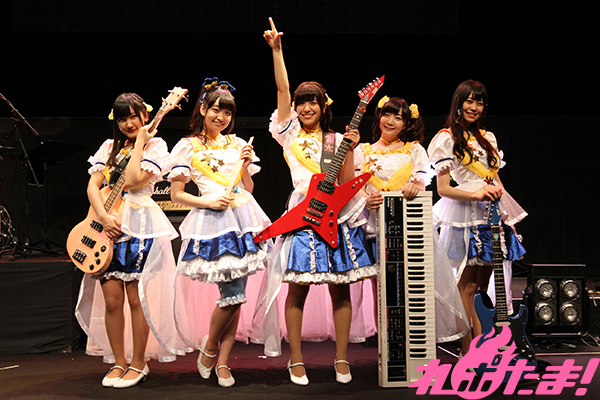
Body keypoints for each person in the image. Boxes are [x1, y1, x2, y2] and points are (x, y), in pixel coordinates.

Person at [261, 18, 377, 385]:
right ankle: (296, 359)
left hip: (335, 218)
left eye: (312, 101)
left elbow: (347, 184)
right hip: (302, 215)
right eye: (301, 102)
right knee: (297, 289)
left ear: (323, 106)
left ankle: (341, 359)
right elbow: (281, 88)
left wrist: (352, 152)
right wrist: (277, 51)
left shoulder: (337, 139)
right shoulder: (288, 133)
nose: (306, 107)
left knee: (340, 289)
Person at [75, 93, 186, 389]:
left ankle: (138, 362)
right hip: (107, 223)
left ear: (145, 116)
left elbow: (134, 179)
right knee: (112, 300)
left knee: (137, 299)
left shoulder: (156, 146)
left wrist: (139, 145)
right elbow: (93, 186)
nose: (128, 123)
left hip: (139, 224)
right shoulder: (108, 147)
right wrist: (103, 216)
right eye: (122, 118)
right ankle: (118, 362)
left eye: (133, 116)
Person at [168, 78, 270, 388]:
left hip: (243, 219)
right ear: (203, 109)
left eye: (227, 112)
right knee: (233, 294)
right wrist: (208, 201)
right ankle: (210, 348)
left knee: (237, 297)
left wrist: (245, 165)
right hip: (213, 221)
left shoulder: (237, 144)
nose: (221, 117)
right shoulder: (188, 146)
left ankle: (223, 361)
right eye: (215, 110)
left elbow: (248, 187)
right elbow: (176, 194)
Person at [354, 95, 470, 343]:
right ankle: (386, 344)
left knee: (407, 285)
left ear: (406, 124)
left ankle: (409, 342)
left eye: (398, 117)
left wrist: (415, 187)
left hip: (405, 227)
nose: (391, 121)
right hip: (373, 226)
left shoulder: (414, 150)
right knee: (379, 287)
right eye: (387, 114)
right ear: (379, 117)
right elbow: (354, 187)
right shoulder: (362, 151)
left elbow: (421, 182)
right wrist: (365, 199)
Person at [427, 80, 527, 355]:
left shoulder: (488, 138)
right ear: (458, 104)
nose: (474, 107)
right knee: (467, 285)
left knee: (483, 285)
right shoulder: (446, 138)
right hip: (466, 215)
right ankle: (469, 349)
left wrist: (507, 214)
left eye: (480, 102)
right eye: (469, 101)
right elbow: (443, 188)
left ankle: (485, 344)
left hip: (492, 216)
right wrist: (477, 194)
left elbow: (495, 180)